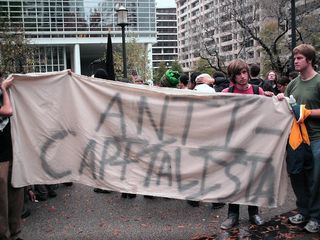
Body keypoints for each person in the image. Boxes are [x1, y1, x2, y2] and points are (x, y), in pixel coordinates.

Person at [277, 43, 320, 233]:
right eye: (294, 58)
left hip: (316, 138)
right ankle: (303, 211)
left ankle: (316, 216)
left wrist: (307, 112)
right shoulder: (293, 83)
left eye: (299, 58)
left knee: (315, 179)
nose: (295, 61)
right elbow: (286, 107)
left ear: (309, 60)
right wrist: (278, 99)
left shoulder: (318, 82)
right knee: (297, 176)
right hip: (295, 140)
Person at [220, 59, 265, 230]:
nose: (242, 76)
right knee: (234, 179)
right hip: (233, 144)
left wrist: (277, 99)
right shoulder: (227, 92)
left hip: (254, 143)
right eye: (238, 74)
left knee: (253, 178)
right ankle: (233, 215)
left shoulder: (257, 90)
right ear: (232, 76)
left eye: (244, 72)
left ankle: (254, 213)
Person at [0, 76, 24, 240]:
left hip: (11, 149)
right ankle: (4, 234)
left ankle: (15, 231)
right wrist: (3, 88)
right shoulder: (3, 92)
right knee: (1, 196)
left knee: (16, 188)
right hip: (0, 155)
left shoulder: (4, 92)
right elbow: (8, 111)